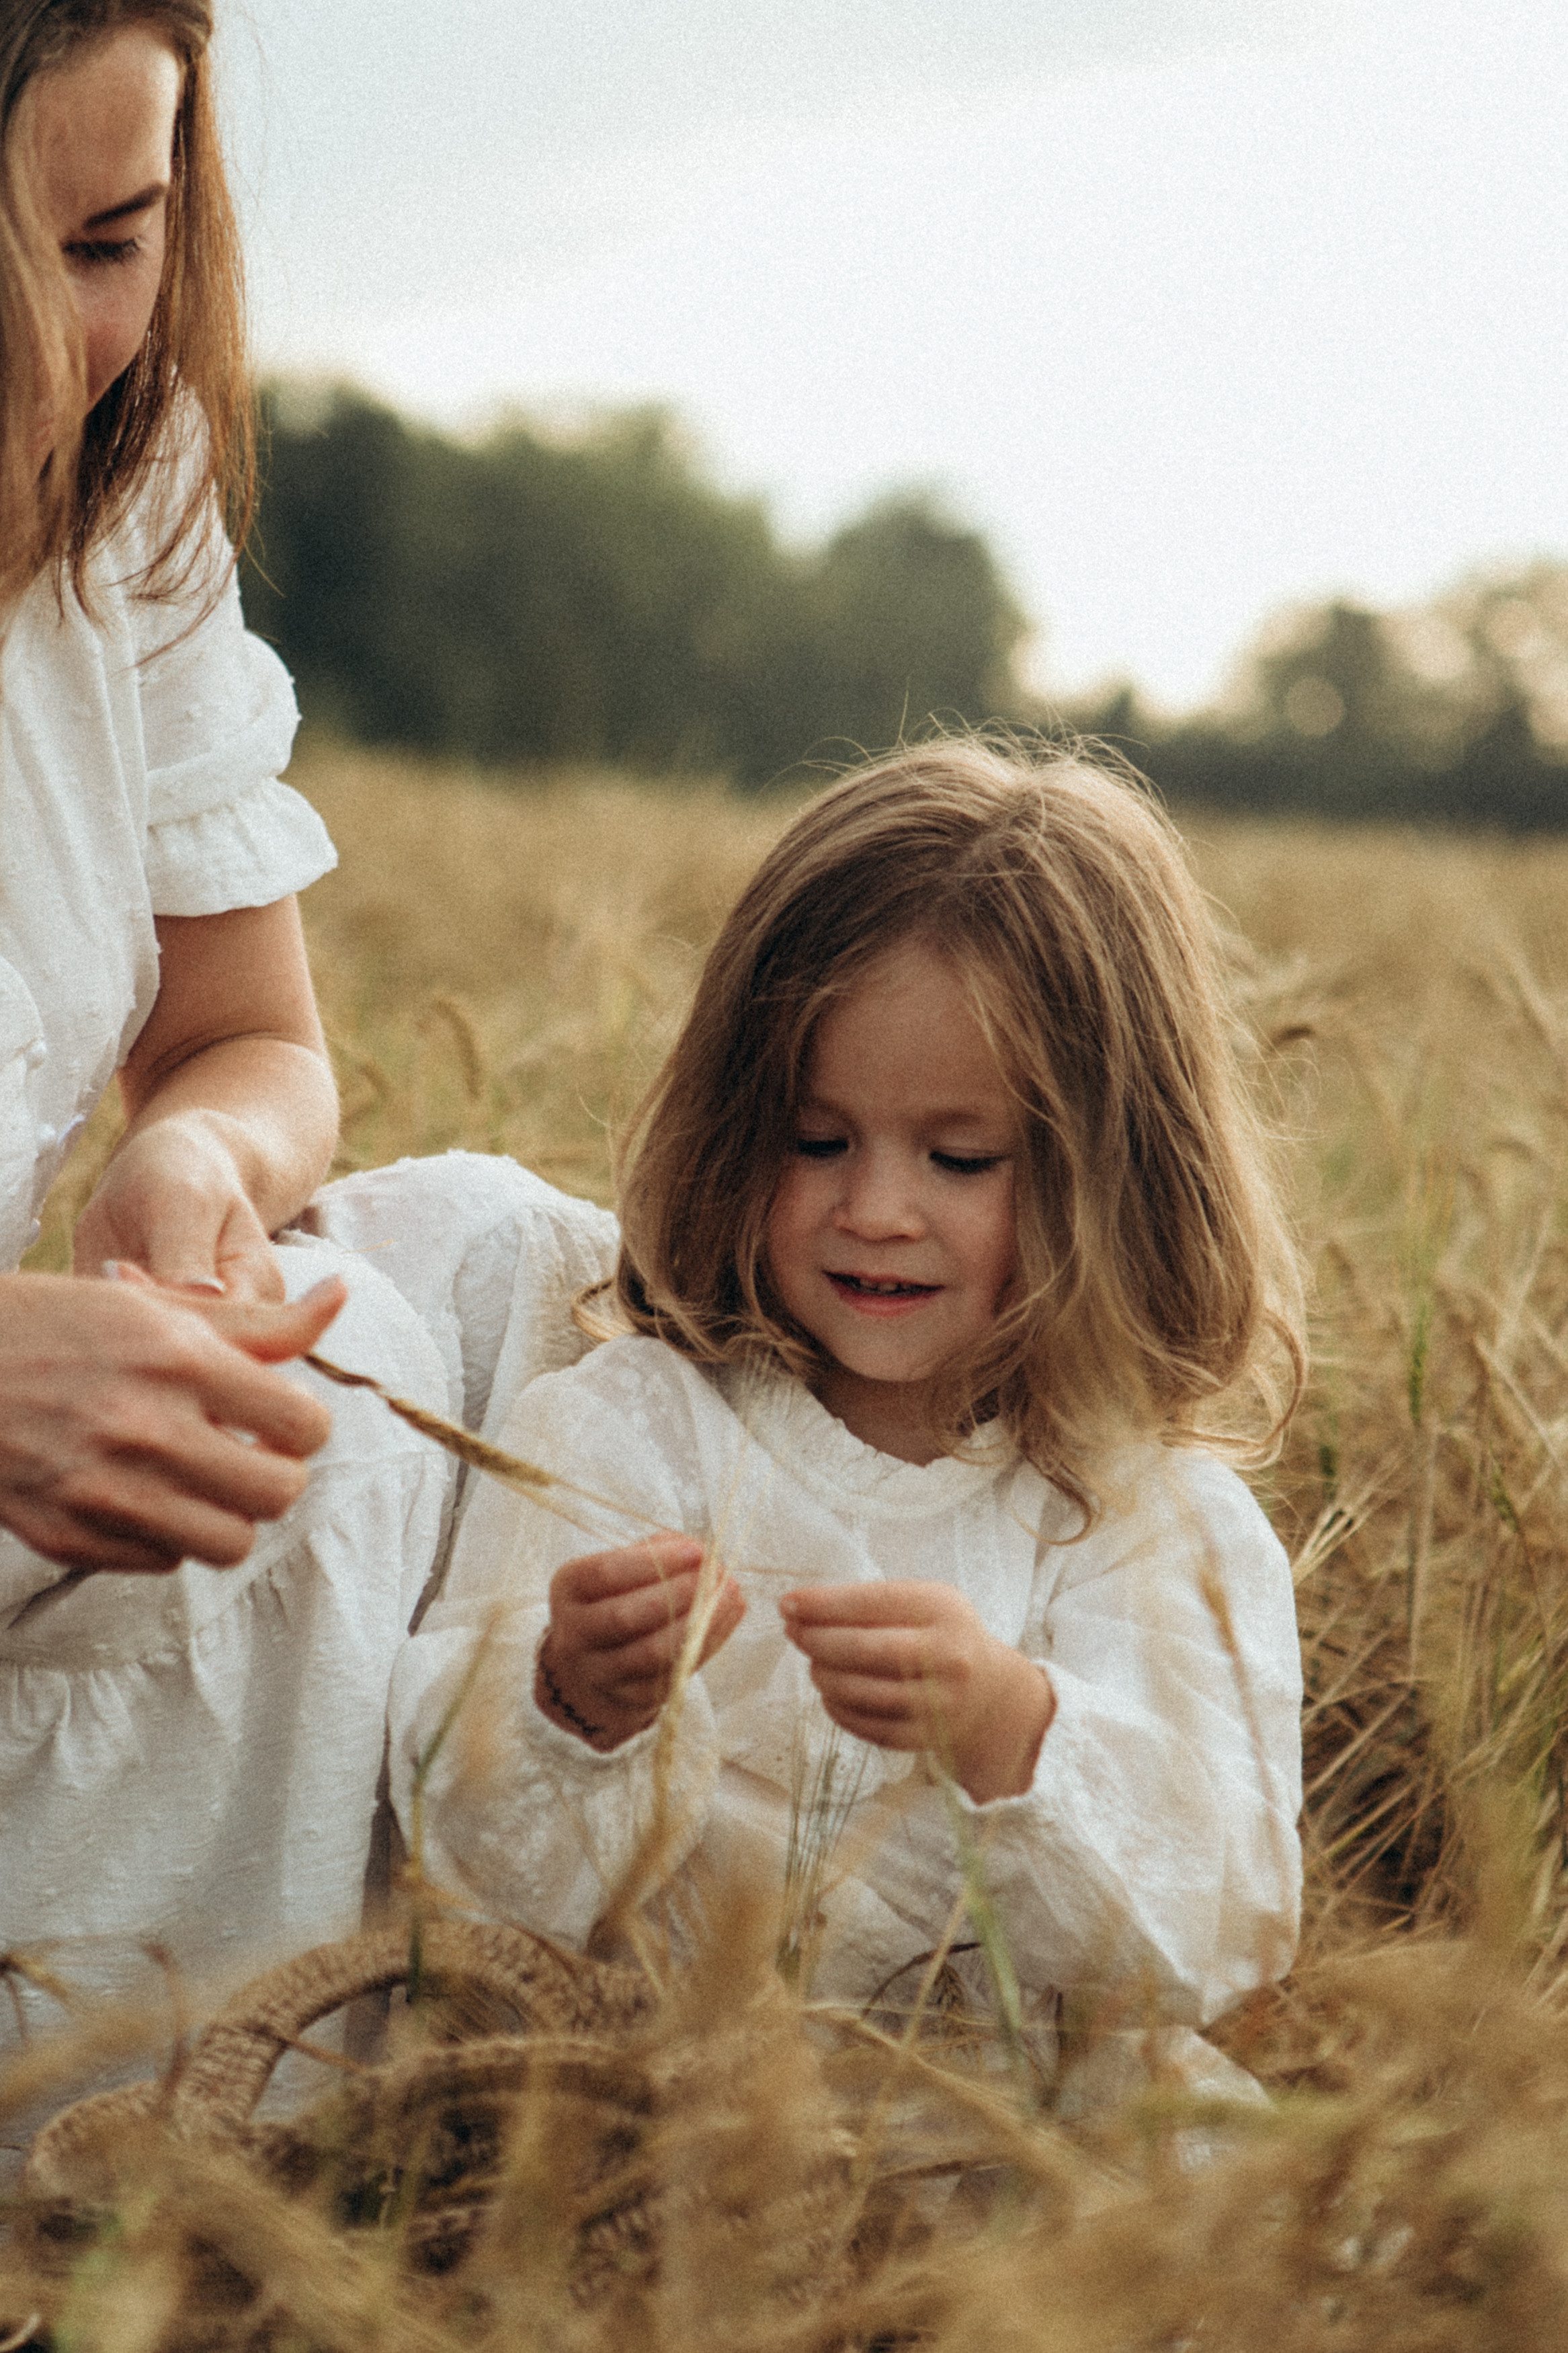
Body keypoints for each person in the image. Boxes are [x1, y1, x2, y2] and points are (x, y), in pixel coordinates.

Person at [0, 1, 619, 2063]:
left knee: (484, 1266)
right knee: (344, 1446)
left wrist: (189, 1167)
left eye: (110, 242)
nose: (51, 346)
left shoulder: (120, 491)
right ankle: (170, 2124)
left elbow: (246, 1038)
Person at [389, 740, 1307, 2093]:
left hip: (1012, 2160)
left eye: (960, 1157)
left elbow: (1225, 1923)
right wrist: (568, 1699)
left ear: (1114, 1174)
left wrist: (1012, 1725)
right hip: (658, 2122)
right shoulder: (637, 1431)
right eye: (817, 1140)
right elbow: (463, 1869)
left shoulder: (1147, 1521)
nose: (876, 1207)